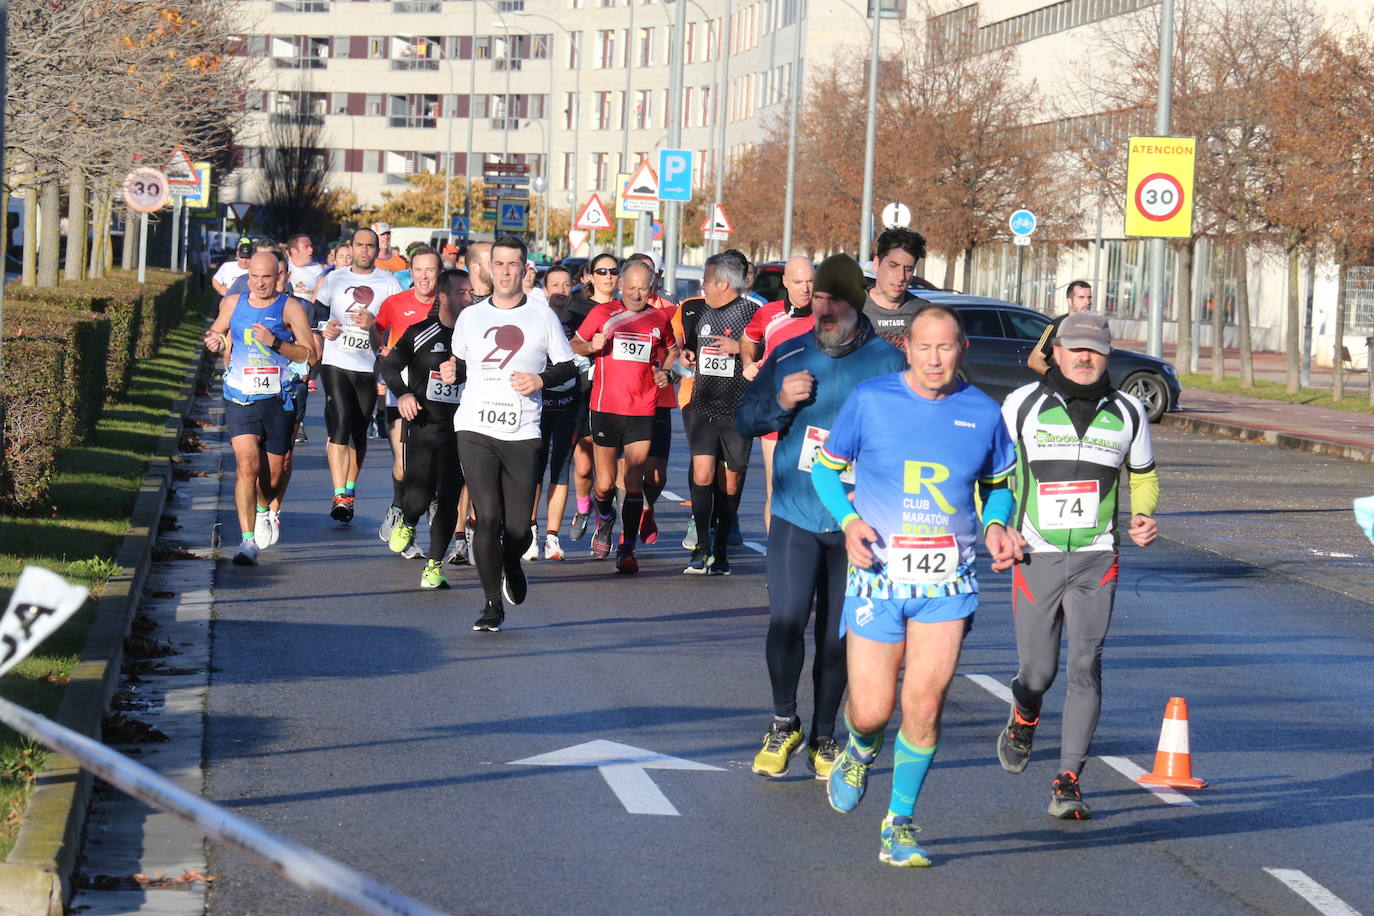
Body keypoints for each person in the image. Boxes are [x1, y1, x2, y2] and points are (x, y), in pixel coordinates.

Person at [811, 302, 1022, 868]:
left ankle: (898, 824)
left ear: (962, 350)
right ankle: (860, 748)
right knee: (873, 710)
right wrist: (850, 520)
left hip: (947, 580)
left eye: (945, 347)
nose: (934, 359)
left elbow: (998, 485)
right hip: (877, 578)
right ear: (907, 348)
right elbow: (825, 470)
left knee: (925, 702)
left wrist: (998, 523)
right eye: (924, 347)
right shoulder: (872, 400)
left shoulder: (982, 412)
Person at [736, 254, 906, 780]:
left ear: (855, 303)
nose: (823, 308)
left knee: (838, 637)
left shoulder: (888, 364)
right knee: (787, 621)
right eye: (820, 299)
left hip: (859, 524)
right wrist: (780, 404)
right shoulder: (788, 352)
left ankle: (824, 736)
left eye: (834, 299)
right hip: (797, 511)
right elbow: (746, 418)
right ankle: (783, 722)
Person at [997, 310, 1158, 820]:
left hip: (1097, 557)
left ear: (1107, 355)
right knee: (1039, 672)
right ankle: (1025, 712)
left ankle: (1069, 778)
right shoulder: (1021, 405)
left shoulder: (1130, 412)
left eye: (1096, 350)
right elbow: (995, 478)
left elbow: (1145, 477)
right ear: (1057, 353)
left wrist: (1145, 516)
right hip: (1035, 553)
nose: (1086, 358)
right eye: (1076, 349)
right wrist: (997, 527)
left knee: (1086, 664)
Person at [441, 236, 577, 632]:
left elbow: (568, 367)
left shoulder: (541, 316)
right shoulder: (470, 317)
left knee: (518, 528)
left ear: (523, 269)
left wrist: (539, 378)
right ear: (488, 269)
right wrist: (454, 372)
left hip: (522, 430)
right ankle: (490, 604)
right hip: (475, 427)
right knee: (488, 516)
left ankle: (511, 561)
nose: (503, 271)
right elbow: (462, 366)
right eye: (497, 264)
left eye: (512, 265)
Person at [203, 252, 315, 565]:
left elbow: (310, 355)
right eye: (255, 276)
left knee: (273, 476)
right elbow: (217, 332)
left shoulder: (291, 307)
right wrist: (214, 341)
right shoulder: (232, 303)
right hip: (240, 396)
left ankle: (266, 509)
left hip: (279, 400)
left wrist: (276, 343)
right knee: (246, 465)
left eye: (267, 277)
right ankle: (247, 541)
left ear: (278, 275)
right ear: (248, 274)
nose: (260, 283)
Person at [572, 260, 678, 574]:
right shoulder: (603, 314)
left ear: (651, 289)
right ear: (621, 287)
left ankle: (626, 548)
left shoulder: (658, 319)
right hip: (605, 407)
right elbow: (574, 343)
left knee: (634, 480)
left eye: (642, 288)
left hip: (642, 409)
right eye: (630, 287)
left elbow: (671, 350)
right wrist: (591, 345)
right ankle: (604, 517)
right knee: (604, 484)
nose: (636, 294)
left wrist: (666, 372)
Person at [377, 263, 471, 590]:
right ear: (444, 297)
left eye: (471, 291)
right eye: (462, 292)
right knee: (418, 496)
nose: (469, 297)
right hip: (423, 426)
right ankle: (408, 517)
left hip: (461, 432)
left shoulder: (477, 338)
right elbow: (388, 365)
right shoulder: (421, 332)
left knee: (448, 497)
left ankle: (433, 565)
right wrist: (402, 394)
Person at [677, 250, 759, 575]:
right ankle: (701, 547)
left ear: (723, 283)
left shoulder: (753, 314)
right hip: (703, 405)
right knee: (702, 474)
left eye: (707, 281)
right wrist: (688, 356)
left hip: (738, 410)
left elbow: (769, 352)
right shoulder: (700, 311)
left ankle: (721, 547)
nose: (703, 287)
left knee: (731, 481)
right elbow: (695, 347)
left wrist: (739, 348)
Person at [316, 228, 403, 523]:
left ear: (378, 250)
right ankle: (339, 494)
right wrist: (322, 326)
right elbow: (318, 310)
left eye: (370, 246)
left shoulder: (388, 283)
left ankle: (349, 491)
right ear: (350, 247)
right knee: (340, 423)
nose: (364, 250)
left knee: (358, 432)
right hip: (335, 362)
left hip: (368, 366)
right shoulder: (335, 278)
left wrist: (374, 324)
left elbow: (396, 327)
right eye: (359, 245)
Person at [374, 248, 444, 550]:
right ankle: (399, 508)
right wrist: (382, 350)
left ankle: (418, 516)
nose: (424, 276)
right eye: (419, 270)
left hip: (441, 398)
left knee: (435, 468)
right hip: (402, 394)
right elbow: (375, 330)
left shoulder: (449, 304)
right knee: (404, 466)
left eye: (430, 270)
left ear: (439, 272)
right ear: (410, 273)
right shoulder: (395, 303)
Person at [741, 256, 815, 534]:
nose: (805, 288)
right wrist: (748, 363)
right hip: (775, 413)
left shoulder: (828, 315)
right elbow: (749, 339)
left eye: (810, 281)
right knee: (776, 488)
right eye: (798, 282)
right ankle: (777, 567)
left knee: (812, 489)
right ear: (785, 282)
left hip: (814, 415)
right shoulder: (768, 313)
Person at [566, 253, 621, 540]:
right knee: (585, 466)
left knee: (608, 471)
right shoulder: (578, 306)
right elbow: (569, 345)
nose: (608, 277)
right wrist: (590, 346)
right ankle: (583, 508)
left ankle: (605, 518)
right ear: (590, 276)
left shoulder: (627, 307)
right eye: (602, 271)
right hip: (584, 392)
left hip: (616, 396)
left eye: (613, 271)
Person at [627, 251, 678, 546]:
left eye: (648, 274)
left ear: (655, 279)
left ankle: (648, 507)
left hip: (658, 399)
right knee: (628, 469)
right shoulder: (616, 310)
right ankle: (626, 527)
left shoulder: (671, 311)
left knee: (655, 475)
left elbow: (678, 353)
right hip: (623, 400)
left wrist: (669, 369)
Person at [532, 265, 582, 562]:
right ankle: (530, 531)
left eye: (566, 285)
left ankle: (552, 537)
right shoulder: (535, 319)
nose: (561, 290)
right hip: (538, 405)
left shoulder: (580, 322)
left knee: (561, 469)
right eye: (555, 285)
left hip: (568, 405)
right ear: (544, 288)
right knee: (534, 470)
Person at [862, 227, 927, 346]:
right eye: (893, 266)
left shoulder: (924, 313)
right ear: (876, 264)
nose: (901, 276)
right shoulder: (851, 308)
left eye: (908, 269)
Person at [1028, 280, 1094, 376]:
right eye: (1081, 297)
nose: (1087, 302)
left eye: (1089, 298)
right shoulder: (1057, 326)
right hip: (1060, 389)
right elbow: (1034, 360)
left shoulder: (1095, 327)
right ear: (1069, 301)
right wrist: (1056, 377)